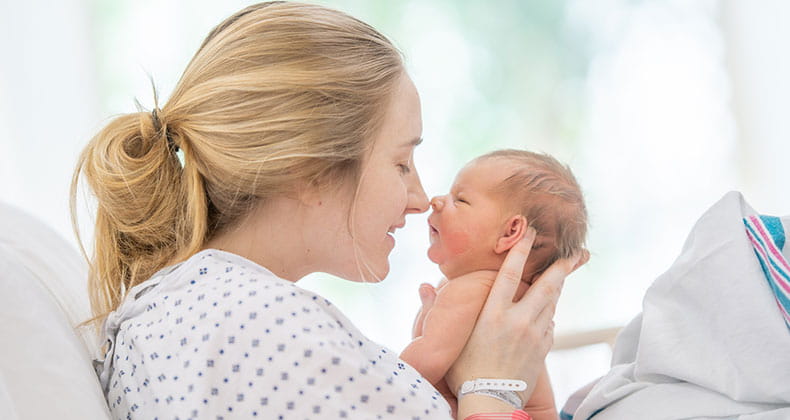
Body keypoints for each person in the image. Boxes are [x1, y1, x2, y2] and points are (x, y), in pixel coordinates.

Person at [72, 2, 586, 419]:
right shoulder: (266, 332)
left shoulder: (177, 310)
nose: (418, 198)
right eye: (401, 162)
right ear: (311, 168)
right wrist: (491, 392)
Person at [401, 150, 588, 419]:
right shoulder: (513, 299)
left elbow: (424, 364)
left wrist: (374, 379)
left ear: (510, 232)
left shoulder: (471, 290)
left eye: (460, 199)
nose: (437, 201)